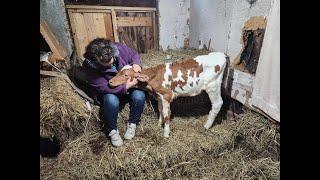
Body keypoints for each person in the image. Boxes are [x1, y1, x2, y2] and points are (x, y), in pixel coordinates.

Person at [82, 38, 146, 147]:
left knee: (139, 95)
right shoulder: (89, 66)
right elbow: (104, 87)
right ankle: (112, 130)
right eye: (104, 63)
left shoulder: (117, 48)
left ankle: (133, 124)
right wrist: (127, 86)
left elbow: (134, 54)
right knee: (111, 101)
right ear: (96, 60)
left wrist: (136, 64)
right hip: (110, 89)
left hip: (127, 83)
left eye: (111, 59)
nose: (110, 64)